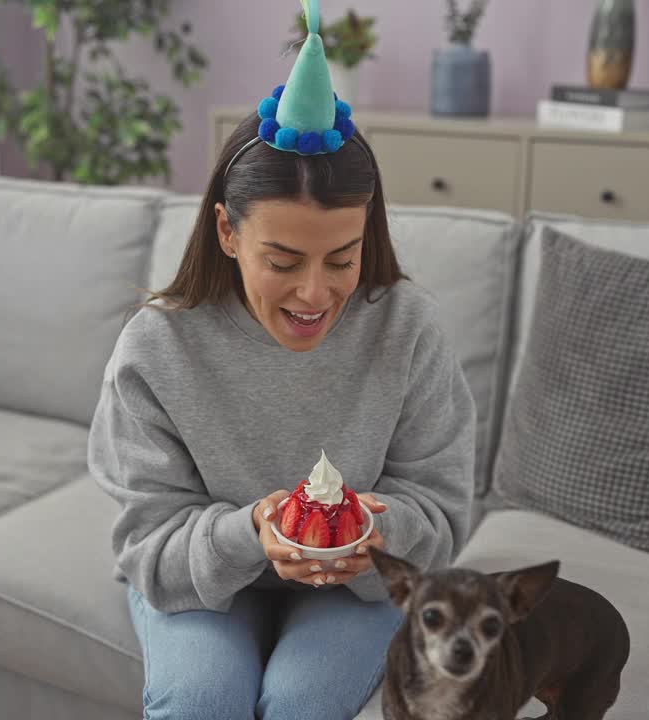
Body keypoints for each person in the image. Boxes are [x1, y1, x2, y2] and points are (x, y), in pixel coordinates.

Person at [87, 2, 476, 717]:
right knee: (202, 699)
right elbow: (146, 541)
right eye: (283, 259)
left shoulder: (410, 330)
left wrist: (370, 534)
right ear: (229, 232)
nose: (314, 292)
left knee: (302, 702)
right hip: (205, 583)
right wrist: (251, 533)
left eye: (342, 259)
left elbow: (446, 513)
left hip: (355, 590)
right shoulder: (156, 348)